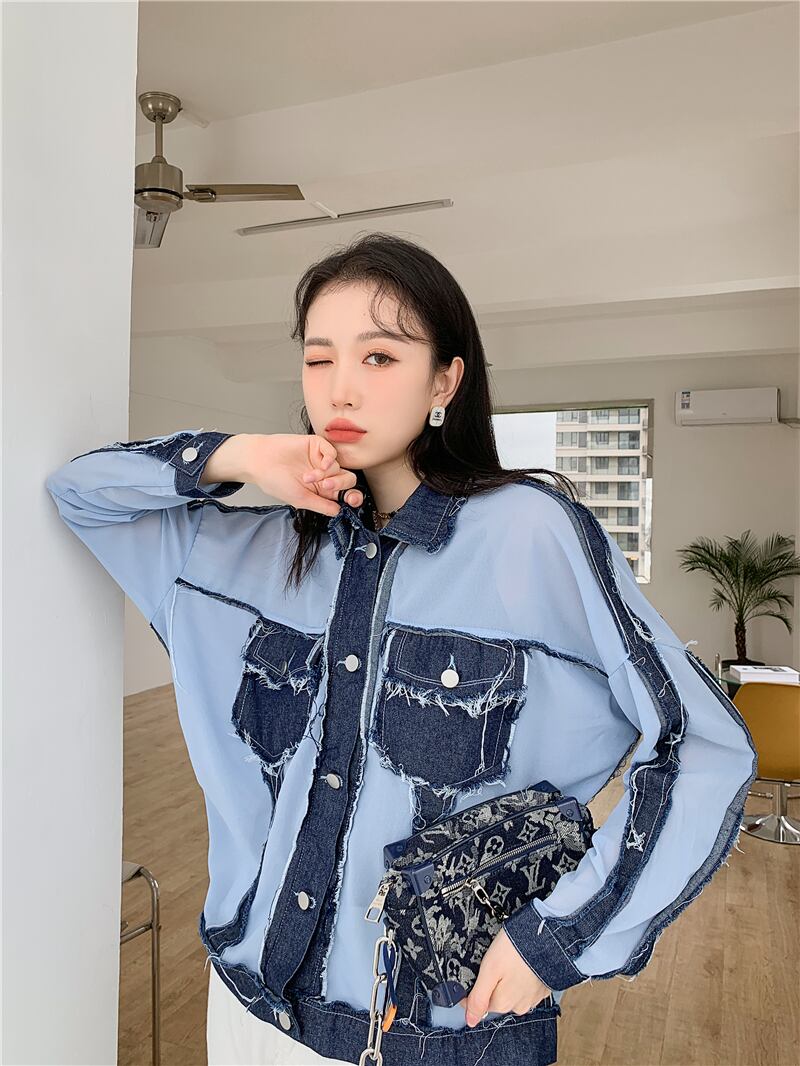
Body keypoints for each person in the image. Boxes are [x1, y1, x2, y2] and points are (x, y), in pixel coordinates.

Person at [45, 232, 758, 1066]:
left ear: (444, 381)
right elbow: (79, 493)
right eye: (319, 359)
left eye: (380, 356)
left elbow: (704, 745)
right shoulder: (239, 553)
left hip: (443, 1038)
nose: (341, 387)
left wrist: (558, 940)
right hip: (248, 1014)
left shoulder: (531, 536)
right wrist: (245, 456)